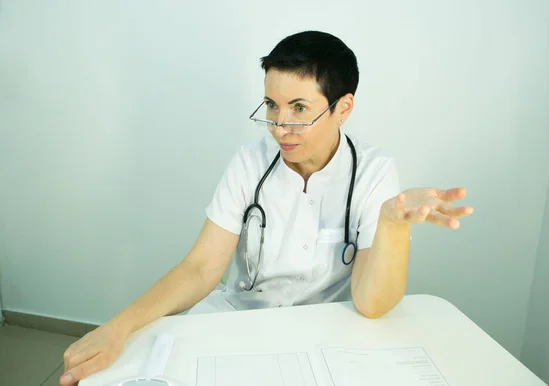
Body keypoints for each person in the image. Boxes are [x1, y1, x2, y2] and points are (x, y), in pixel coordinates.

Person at [60, 30, 473, 385]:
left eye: (299, 109)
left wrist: (391, 225)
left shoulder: (373, 172)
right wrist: (118, 327)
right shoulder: (250, 162)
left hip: (323, 332)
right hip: (238, 317)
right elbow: (201, 268)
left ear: (343, 108)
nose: (279, 126)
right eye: (271, 106)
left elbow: (371, 303)